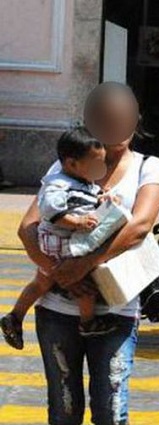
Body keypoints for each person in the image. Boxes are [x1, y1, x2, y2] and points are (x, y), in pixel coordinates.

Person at [15, 82, 159, 425]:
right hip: (57, 309)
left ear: (135, 119)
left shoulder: (150, 166)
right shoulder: (64, 167)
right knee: (64, 413)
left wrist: (84, 265)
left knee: (111, 414)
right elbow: (27, 228)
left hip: (116, 308)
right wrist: (59, 273)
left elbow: (141, 226)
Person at [2, 128, 114, 350]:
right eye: (95, 164)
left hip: (59, 241)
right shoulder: (58, 184)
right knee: (84, 285)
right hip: (60, 242)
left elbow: (86, 199)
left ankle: (14, 316)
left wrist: (102, 198)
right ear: (72, 164)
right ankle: (88, 322)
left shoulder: (83, 180)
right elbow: (51, 211)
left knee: (41, 282)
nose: (100, 169)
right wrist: (77, 223)